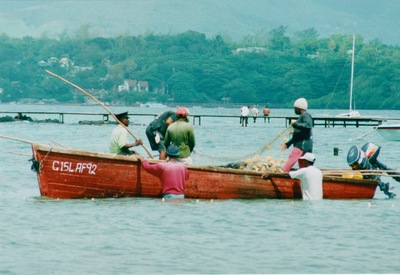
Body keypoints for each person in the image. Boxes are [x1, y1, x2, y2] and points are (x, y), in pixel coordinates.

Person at [282, 98, 313, 172]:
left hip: (302, 145)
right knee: (303, 163)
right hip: (305, 144)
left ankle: (283, 172)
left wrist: (295, 124)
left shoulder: (305, 115)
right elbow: (298, 134)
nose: (294, 109)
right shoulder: (302, 116)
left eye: (295, 107)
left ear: (299, 108)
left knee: (292, 157)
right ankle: (303, 175)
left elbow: (308, 125)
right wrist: (288, 143)